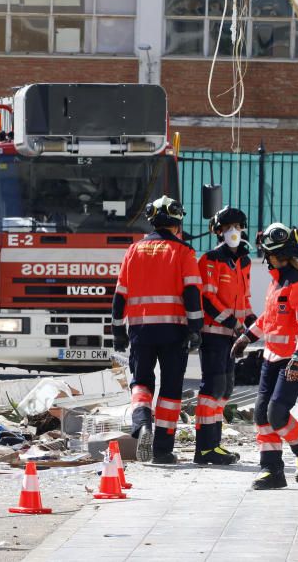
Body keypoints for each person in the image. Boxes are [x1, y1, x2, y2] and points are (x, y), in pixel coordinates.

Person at [112, 196, 203, 464]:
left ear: (151, 220)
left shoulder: (134, 250)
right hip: (174, 331)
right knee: (172, 389)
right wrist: (196, 328)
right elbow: (191, 294)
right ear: (177, 223)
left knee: (141, 382)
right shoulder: (184, 252)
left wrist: (118, 330)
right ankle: (162, 450)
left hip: (140, 329)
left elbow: (120, 296)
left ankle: (142, 425)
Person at [233, 223, 298, 490]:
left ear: (275, 253)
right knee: (261, 414)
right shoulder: (276, 281)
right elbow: (269, 319)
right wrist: (247, 337)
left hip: (294, 359)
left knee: (277, 413)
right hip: (271, 358)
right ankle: (272, 471)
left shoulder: (297, 282)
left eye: (267, 253)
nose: (264, 257)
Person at [194, 206, 256, 465]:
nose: (233, 232)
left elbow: (244, 299)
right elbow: (207, 298)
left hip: (233, 337)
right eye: (227, 227)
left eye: (238, 227)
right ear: (218, 231)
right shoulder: (210, 259)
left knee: (225, 390)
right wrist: (233, 322)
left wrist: (253, 321)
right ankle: (204, 449)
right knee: (212, 388)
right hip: (214, 334)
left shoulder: (244, 261)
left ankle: (214, 446)